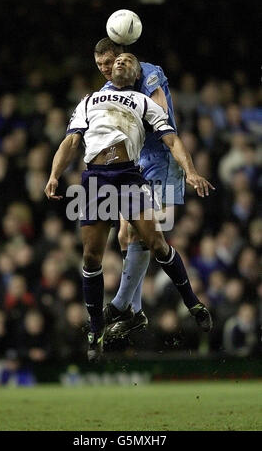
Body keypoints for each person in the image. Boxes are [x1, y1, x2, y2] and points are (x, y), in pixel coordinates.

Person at [44, 53, 214, 361]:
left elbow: (173, 140)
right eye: (116, 60)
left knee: (156, 242)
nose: (121, 62)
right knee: (91, 256)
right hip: (95, 179)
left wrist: (190, 171)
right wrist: (54, 175)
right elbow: (70, 142)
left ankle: (192, 303)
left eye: (128, 59)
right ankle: (97, 329)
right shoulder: (89, 101)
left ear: (137, 71)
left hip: (129, 177)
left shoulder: (146, 101)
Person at [94, 38, 213, 338]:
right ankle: (135, 312)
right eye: (100, 66)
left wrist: (190, 171)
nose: (106, 70)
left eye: (109, 62)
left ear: (122, 58)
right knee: (124, 233)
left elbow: (164, 125)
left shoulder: (148, 74)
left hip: (161, 159)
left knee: (143, 232)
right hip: (133, 163)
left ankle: (122, 305)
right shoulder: (105, 93)